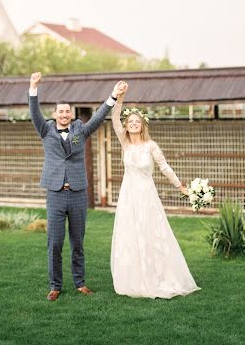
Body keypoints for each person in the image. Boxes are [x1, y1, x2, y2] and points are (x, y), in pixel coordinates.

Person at [29, 71, 126, 301]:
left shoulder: (80, 130)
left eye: (67, 111)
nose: (64, 114)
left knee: (77, 241)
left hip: (78, 193)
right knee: (54, 242)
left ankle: (80, 282)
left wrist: (113, 95)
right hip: (55, 193)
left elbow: (98, 117)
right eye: (60, 111)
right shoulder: (46, 129)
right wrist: (33, 87)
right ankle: (55, 285)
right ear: (55, 114)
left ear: (71, 114)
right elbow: (34, 112)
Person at [110, 82, 200, 299]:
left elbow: (165, 167)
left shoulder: (151, 146)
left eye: (136, 122)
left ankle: (157, 275)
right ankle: (134, 278)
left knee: (153, 234)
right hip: (128, 196)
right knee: (129, 234)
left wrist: (181, 187)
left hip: (146, 195)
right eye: (130, 122)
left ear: (142, 126)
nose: (132, 124)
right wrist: (119, 97)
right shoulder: (125, 143)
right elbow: (114, 118)